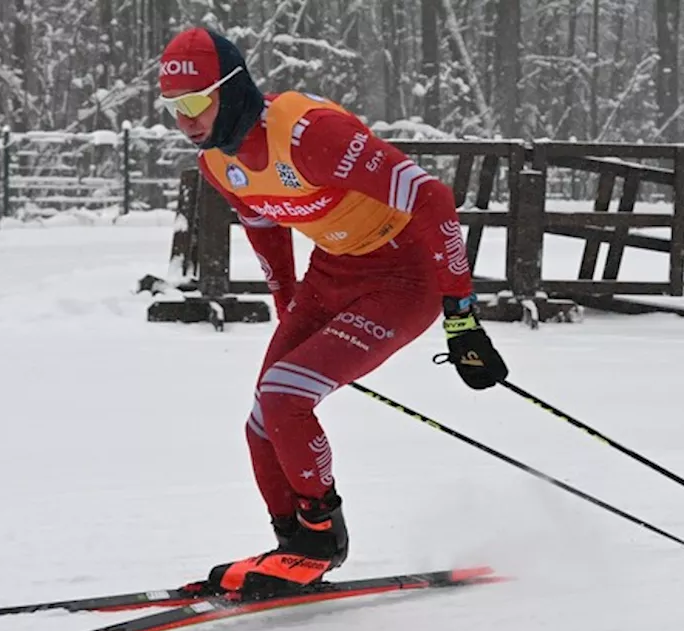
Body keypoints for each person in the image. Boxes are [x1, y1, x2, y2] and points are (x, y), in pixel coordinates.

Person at [158, 27, 508, 598]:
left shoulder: (310, 135)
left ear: (234, 88)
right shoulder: (218, 164)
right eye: (173, 108)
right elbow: (263, 221)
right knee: (262, 420)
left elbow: (432, 198)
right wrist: (287, 303)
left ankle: (322, 539)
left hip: (404, 275)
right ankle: (292, 545)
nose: (186, 120)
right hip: (333, 271)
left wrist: (461, 316)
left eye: (197, 102)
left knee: (285, 397)